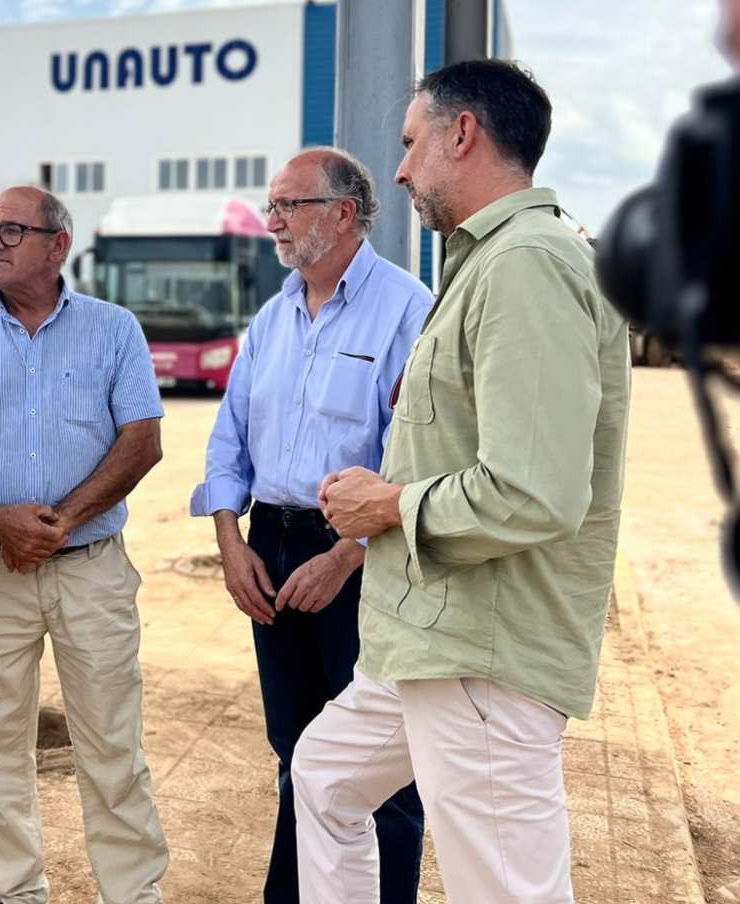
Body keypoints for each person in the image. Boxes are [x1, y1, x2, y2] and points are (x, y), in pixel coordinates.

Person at [292, 60, 630, 904]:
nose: (400, 170)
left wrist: (390, 504)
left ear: (462, 133)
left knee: (504, 889)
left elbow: (535, 491)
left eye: (411, 144)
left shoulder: (526, 264)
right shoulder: (488, 263)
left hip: (484, 649)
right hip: (433, 635)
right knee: (326, 776)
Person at [0, 186, 167, 904]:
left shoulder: (114, 330)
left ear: (57, 246)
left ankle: (132, 892)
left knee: (112, 742)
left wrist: (58, 524)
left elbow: (142, 443)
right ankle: (15, 889)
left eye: (12, 229)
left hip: (91, 569)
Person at [189, 148, 429, 903]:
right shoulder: (271, 317)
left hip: (364, 558)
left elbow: (417, 455)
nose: (273, 223)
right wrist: (231, 543)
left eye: (289, 206)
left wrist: (346, 556)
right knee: (296, 750)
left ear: (343, 214)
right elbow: (229, 439)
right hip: (271, 546)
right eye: (273, 207)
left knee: (380, 770)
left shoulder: (408, 308)